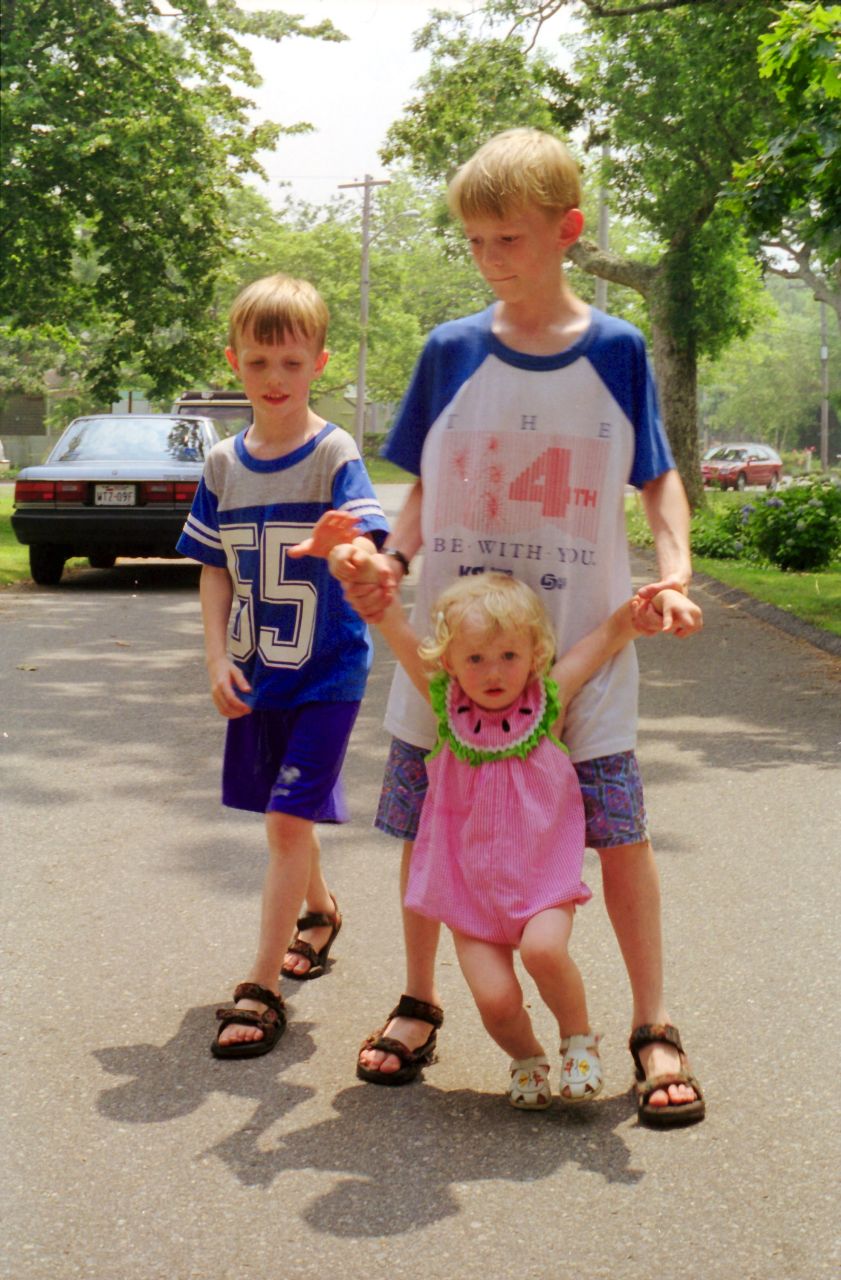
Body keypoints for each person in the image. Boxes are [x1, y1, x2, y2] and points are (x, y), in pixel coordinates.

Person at [343, 128, 706, 1127]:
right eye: (474, 240)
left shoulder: (616, 350)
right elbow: (420, 488)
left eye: (507, 237)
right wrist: (392, 563)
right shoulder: (448, 350)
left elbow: (658, 477)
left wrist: (672, 573)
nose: (489, 257)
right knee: (428, 819)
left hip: (581, 653)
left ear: (566, 230)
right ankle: (419, 999)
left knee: (620, 836)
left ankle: (651, 1023)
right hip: (455, 653)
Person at [292, 522, 698, 1107]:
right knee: (495, 999)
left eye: (509, 656)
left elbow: (601, 641)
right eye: (476, 658)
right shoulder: (445, 707)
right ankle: (527, 1057)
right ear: (451, 662)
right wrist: (370, 591)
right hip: (469, 892)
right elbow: (398, 631)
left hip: (542, 884)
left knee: (543, 952)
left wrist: (639, 614)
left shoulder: (547, 701)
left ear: (534, 655)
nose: (493, 672)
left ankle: (578, 1040)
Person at [176, 273, 389, 1059]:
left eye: (291, 363)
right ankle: (321, 913)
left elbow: (367, 542)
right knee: (284, 811)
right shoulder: (222, 464)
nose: (274, 378)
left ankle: (260, 987)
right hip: (257, 672)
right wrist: (214, 657)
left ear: (318, 365)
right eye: (259, 362)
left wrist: (347, 548)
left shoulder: (333, 452)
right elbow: (213, 567)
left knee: (284, 820)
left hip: (327, 675)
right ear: (234, 361)